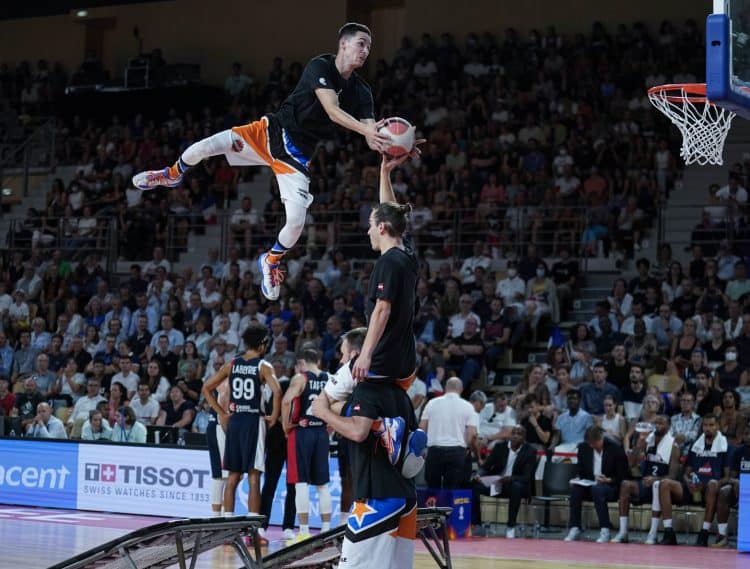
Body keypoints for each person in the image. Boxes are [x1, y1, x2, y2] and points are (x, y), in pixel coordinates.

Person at [133, 23, 393, 302]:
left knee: (296, 221)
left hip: (295, 156)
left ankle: (270, 260)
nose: (366, 50)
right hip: (269, 133)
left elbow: (370, 132)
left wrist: (391, 143)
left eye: (369, 46)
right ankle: (172, 174)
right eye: (361, 43)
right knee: (205, 147)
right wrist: (368, 130)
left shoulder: (362, 91)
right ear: (343, 44)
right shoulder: (321, 66)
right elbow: (331, 110)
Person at [309, 155, 423, 568]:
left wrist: (365, 354)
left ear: (382, 228)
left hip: (384, 363)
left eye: (372, 224)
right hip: (402, 372)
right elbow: (390, 212)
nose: (367, 229)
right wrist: (384, 173)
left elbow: (381, 310)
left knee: (336, 388)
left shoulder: (389, 260)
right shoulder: (406, 255)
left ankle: (319, 401)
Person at [202, 323, 281, 517]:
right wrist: (274, 416)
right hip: (253, 420)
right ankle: (253, 527)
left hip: (235, 421)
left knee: (233, 476)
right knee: (254, 476)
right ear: (263, 344)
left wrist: (222, 413)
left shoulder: (232, 363)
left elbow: (206, 388)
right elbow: (277, 391)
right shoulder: (264, 366)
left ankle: (226, 525)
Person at [281, 348, 333, 542]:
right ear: (317, 361)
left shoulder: (300, 378)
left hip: (303, 432)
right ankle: (327, 530)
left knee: (301, 483)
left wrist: (286, 425)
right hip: (321, 432)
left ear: (302, 363)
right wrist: (331, 425)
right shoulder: (330, 378)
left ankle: (303, 531)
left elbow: (286, 401)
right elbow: (338, 404)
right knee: (322, 484)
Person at [656, 414, 729, 545]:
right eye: (705, 425)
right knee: (664, 484)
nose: (708, 428)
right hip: (692, 487)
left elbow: (727, 476)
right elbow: (686, 472)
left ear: (717, 427)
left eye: (711, 425)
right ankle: (668, 532)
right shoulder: (696, 445)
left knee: (712, 484)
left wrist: (709, 484)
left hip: (710, 489)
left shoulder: (724, 446)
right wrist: (688, 482)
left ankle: (704, 533)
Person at [611, 415, 680, 544]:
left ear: (669, 426)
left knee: (657, 485)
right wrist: (638, 444)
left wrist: (655, 479)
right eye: (656, 423)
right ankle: (623, 532)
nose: (658, 426)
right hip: (645, 483)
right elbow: (631, 464)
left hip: (661, 487)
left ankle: (652, 534)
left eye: (662, 423)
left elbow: (673, 476)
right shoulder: (648, 441)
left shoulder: (673, 446)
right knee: (625, 485)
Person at [564, 426, 627, 543]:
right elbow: (581, 470)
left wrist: (608, 480)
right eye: (590, 443)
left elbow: (623, 476)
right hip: (590, 484)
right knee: (575, 489)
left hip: (611, 487)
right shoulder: (584, 447)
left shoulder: (615, 448)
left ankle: (605, 530)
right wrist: (577, 478)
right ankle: (575, 527)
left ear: (601, 438)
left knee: (598, 489)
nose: (592, 446)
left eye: (594, 443)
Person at [472, 425, 535, 538]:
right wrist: (478, 475)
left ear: (524, 437)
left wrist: (510, 478)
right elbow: (486, 467)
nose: (515, 436)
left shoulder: (530, 451)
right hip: (497, 485)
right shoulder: (500, 447)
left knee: (516, 487)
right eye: (513, 433)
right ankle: (476, 524)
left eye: (519, 434)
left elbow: (526, 477)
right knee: (475, 485)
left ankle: (511, 526)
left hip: (516, 487)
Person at [712, 427, 750, 547]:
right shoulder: (738, 451)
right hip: (740, 489)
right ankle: (722, 535)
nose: (749, 436)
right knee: (724, 491)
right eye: (746, 433)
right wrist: (738, 482)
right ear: (742, 435)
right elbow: (731, 477)